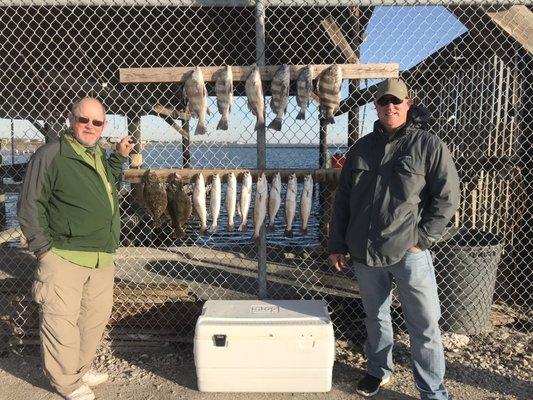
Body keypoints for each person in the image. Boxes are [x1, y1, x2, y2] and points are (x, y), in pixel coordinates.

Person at [328, 78, 460, 399]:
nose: (390, 107)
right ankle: (378, 370)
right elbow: (343, 199)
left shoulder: (428, 145)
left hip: (409, 252)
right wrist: (337, 244)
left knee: (424, 325)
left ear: (407, 104)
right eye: (384, 102)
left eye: (396, 101)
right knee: (375, 315)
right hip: (364, 251)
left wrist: (423, 238)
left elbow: (448, 197)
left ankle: (432, 390)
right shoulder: (360, 148)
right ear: (376, 106)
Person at [18, 97, 133, 400]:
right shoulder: (52, 154)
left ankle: (78, 370)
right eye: (84, 120)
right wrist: (43, 249)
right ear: (71, 119)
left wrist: (119, 158)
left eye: (97, 122)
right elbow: (30, 204)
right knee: (60, 322)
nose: (90, 127)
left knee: (93, 319)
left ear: (104, 126)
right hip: (63, 255)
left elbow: (106, 182)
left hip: (101, 257)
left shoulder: (96, 154)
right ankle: (66, 383)